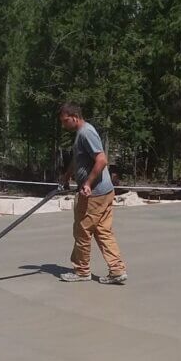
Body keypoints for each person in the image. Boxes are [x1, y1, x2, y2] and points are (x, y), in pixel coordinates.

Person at [58, 103, 127, 284]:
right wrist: (66, 176)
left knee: (82, 231)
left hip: (94, 194)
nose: (63, 125)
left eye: (65, 121)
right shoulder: (82, 134)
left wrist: (87, 184)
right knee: (104, 231)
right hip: (104, 191)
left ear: (74, 116)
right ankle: (117, 270)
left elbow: (102, 159)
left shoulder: (86, 132)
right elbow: (78, 160)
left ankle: (81, 271)